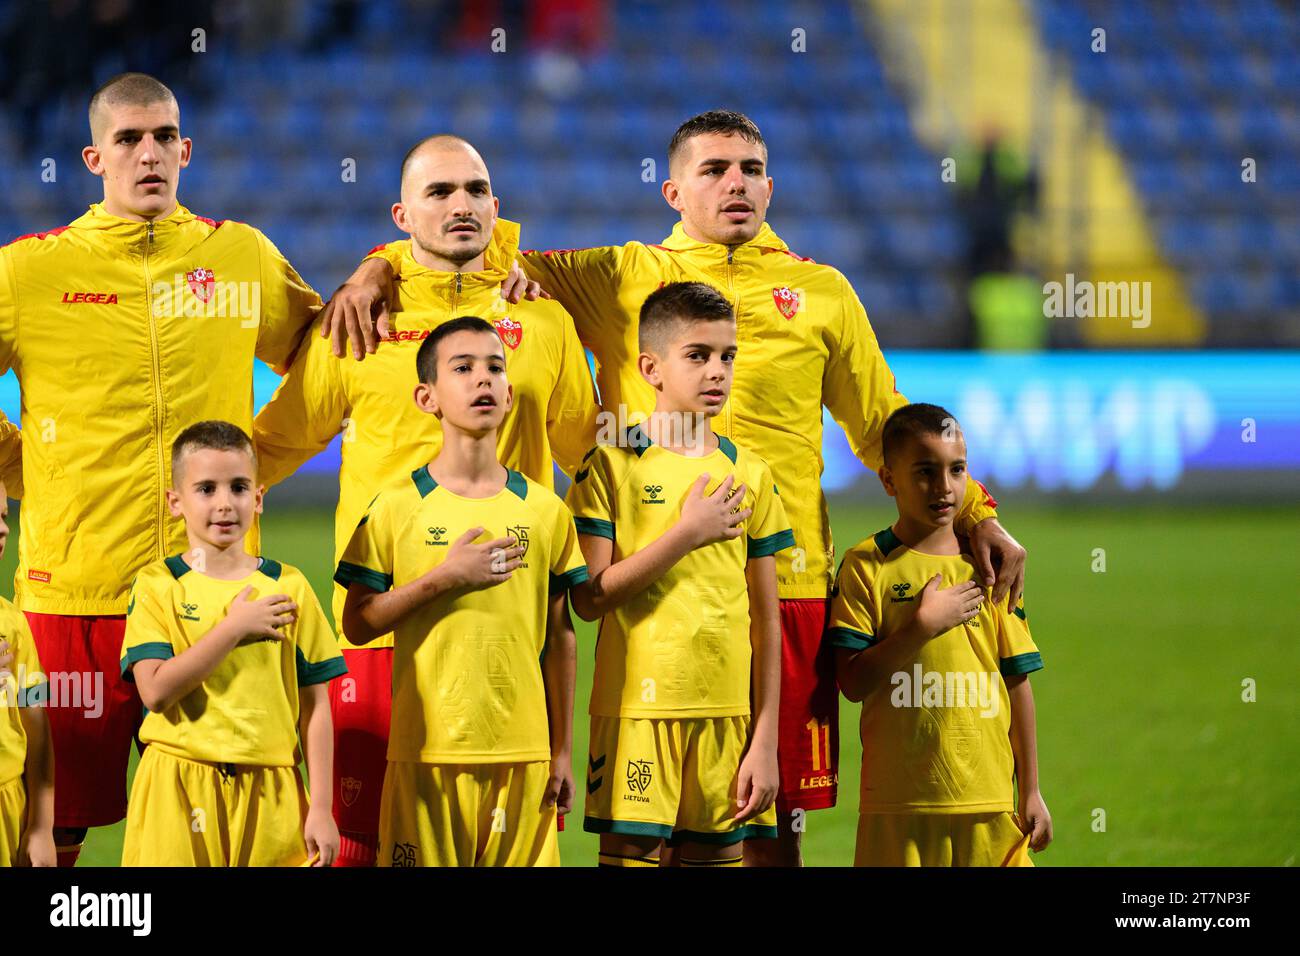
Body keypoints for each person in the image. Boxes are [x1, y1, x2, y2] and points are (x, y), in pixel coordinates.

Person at [341, 109, 1028, 865]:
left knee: (771, 827)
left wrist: (976, 511)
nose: (737, 183)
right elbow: (460, 239)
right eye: (714, 170)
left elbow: (887, 429)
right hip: (649, 587)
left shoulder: (822, 290)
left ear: (771, 185)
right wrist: (377, 264)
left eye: (751, 170)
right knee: (647, 836)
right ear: (672, 189)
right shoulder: (620, 275)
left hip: (785, 585)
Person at [0, 71, 375, 865]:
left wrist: (256, 462)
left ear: (187, 149)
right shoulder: (28, 274)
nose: (149, 154)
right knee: (53, 833)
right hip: (74, 594)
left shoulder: (239, 257)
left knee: (223, 814)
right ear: (93, 157)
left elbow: (330, 353)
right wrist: (27, 469)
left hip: (214, 592)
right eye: (129, 139)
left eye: (164, 137)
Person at [253, 134, 598, 866]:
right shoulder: (357, 323)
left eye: (475, 190)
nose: (460, 205)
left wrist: (598, 575)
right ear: (401, 214)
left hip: (504, 623)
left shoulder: (542, 323)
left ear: (496, 208)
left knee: (496, 839)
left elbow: (590, 461)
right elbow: (272, 447)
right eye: (439, 193)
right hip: (381, 623)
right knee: (355, 841)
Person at [337, 318, 587, 866]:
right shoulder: (394, 507)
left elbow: (561, 636)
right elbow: (357, 623)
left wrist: (563, 750)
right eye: (464, 368)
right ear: (427, 397)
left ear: (510, 392)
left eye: (495, 368)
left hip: (523, 753)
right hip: (426, 752)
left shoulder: (545, 510)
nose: (484, 380)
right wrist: (445, 578)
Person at [567, 282, 788, 866]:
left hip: (726, 718)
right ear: (651, 367)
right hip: (635, 713)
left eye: (727, 356)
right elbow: (590, 599)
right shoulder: (611, 464)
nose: (717, 371)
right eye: (698, 355)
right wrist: (687, 533)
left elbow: (766, 619)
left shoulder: (752, 474)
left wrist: (764, 738)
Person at [829, 403, 1051, 866]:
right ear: (889, 481)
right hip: (898, 806)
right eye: (925, 472)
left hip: (988, 801)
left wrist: (1030, 789)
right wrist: (922, 627)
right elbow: (851, 682)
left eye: (957, 470)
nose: (944, 487)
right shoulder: (866, 566)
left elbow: (1017, 681)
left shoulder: (991, 566)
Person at [119, 421, 344, 866]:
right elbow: (157, 692)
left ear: (258, 498)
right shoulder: (157, 585)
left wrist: (321, 807)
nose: (224, 504)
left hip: (272, 790)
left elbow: (316, 706)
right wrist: (233, 628)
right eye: (206, 489)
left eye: (238, 487)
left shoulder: (289, 585)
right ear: (176, 502)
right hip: (177, 785)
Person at [0, 499, 55, 867]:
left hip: (8, 805)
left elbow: (37, 725)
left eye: (3, 516)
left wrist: (40, 826)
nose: (3, 528)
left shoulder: (13, 623)